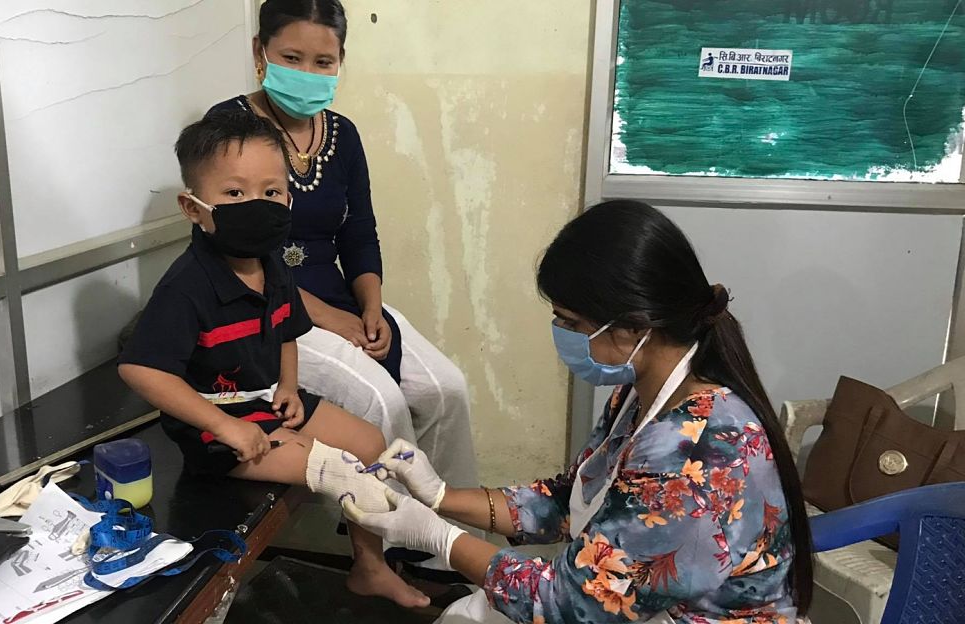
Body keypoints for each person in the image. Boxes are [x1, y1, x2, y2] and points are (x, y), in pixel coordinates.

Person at [343, 201, 814, 623]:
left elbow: (572, 604)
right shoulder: (642, 396)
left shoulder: (701, 454)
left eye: (570, 322)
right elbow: (571, 501)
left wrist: (438, 538)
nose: (559, 333)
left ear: (632, 329)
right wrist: (441, 496)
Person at [117, 109, 429, 608]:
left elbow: (287, 329)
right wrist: (225, 427)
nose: (256, 205)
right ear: (193, 207)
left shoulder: (274, 262)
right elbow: (140, 368)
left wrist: (289, 385)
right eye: (234, 193)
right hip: (217, 425)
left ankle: (369, 568)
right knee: (341, 469)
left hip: (269, 397)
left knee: (370, 442)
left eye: (272, 191)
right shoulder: (186, 287)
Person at [207, 0, 478, 492]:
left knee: (446, 389)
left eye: (323, 62)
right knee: (384, 401)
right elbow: (238, 251)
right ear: (259, 52)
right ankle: (400, 538)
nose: (307, 73)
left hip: (338, 295)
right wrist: (337, 323)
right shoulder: (231, 128)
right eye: (291, 57)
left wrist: (371, 307)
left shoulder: (343, 134)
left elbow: (359, 232)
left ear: (339, 62)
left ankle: (446, 546)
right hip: (266, 309)